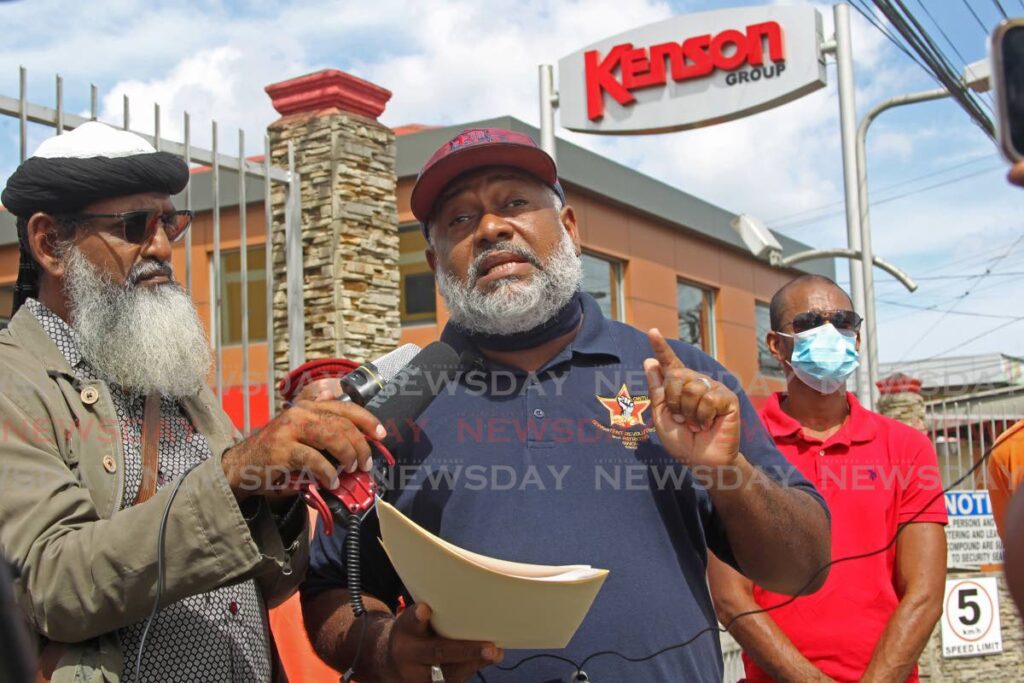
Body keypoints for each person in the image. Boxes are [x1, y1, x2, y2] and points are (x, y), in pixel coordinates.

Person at [300, 128, 832, 683]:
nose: (489, 228)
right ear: (436, 263)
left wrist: (730, 472)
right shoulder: (399, 406)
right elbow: (331, 588)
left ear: (571, 229)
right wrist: (384, 647)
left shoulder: (680, 377)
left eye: (514, 203)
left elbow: (803, 569)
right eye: (460, 220)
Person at [0, 122, 385, 682]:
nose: (160, 247)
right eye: (134, 226)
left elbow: (272, 585)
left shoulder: (174, 381)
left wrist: (272, 494)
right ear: (49, 244)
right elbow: (53, 586)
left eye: (168, 223)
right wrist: (233, 474)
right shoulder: (15, 381)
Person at [708, 274, 948, 683]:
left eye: (842, 322)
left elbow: (924, 595)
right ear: (776, 345)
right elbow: (731, 599)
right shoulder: (736, 446)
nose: (829, 334)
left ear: (856, 338)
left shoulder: (907, 448)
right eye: (809, 323)